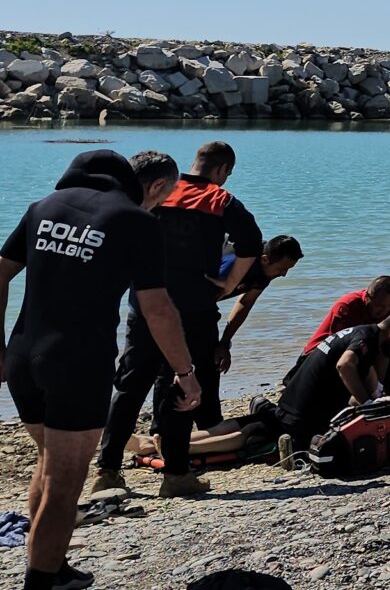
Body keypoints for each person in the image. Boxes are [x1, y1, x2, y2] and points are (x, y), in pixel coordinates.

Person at [0, 149, 202, 590]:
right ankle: (42, 581)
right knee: (66, 478)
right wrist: (184, 371)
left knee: (48, 462)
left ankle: (52, 565)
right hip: (77, 364)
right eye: (164, 196)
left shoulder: (43, 208)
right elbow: (157, 309)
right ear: (155, 188)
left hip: (24, 358)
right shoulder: (136, 222)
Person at [93, 141, 263, 497]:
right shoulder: (219, 199)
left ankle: (107, 470)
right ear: (221, 171)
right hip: (194, 309)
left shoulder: (156, 189)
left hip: (144, 304)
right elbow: (252, 242)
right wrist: (230, 282)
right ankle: (176, 474)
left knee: (130, 385)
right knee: (186, 388)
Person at [276, 311, 390, 456]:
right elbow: (344, 365)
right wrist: (367, 404)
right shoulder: (366, 339)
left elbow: (369, 375)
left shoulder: (365, 334)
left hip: (290, 410)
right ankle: (290, 444)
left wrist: (379, 397)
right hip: (302, 419)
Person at [215, 234, 305, 366]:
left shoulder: (267, 266)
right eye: (281, 269)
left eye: (287, 269)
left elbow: (245, 303)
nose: (284, 274)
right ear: (264, 259)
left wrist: (224, 342)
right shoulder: (234, 265)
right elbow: (198, 301)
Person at [308, 275, 390, 350]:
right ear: (367, 297)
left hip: (362, 348)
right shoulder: (348, 306)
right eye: (379, 306)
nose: (384, 311)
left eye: (389, 306)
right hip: (319, 351)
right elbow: (338, 345)